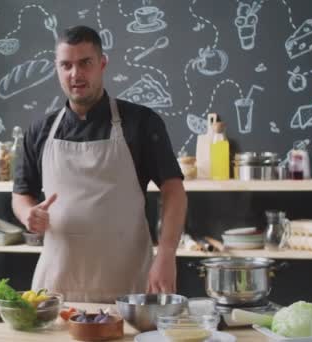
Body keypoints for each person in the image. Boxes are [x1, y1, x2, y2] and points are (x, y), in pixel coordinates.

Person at [12, 25, 187, 303]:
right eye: (66, 65)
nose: (75, 74)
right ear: (57, 68)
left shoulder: (141, 122)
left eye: (85, 63)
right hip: (57, 286)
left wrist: (166, 253)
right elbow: (21, 194)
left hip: (127, 284)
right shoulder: (39, 131)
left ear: (102, 63)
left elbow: (173, 189)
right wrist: (27, 215)